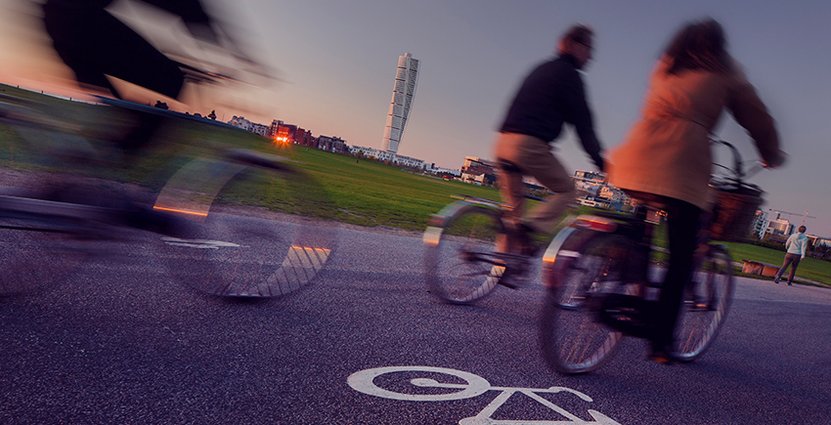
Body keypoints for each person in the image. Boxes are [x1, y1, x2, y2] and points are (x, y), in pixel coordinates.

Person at [607, 18, 786, 363]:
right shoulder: (725, 70)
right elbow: (757, 118)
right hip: (681, 165)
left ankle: (619, 267)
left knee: (640, 224)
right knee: (681, 257)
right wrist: (771, 154)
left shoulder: (667, 65)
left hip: (632, 156)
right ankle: (660, 342)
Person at [493, 24, 605, 257]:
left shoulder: (542, 68)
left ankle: (502, 264)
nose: (591, 55)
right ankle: (530, 227)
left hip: (503, 142)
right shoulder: (569, 76)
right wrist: (601, 162)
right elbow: (583, 126)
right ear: (574, 45)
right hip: (528, 145)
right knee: (568, 190)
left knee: (513, 211)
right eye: (589, 48)